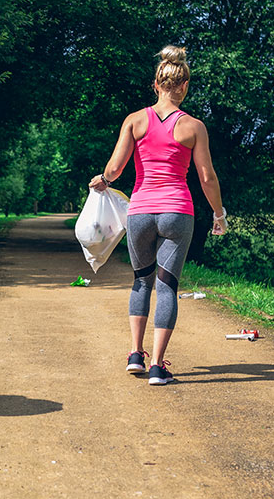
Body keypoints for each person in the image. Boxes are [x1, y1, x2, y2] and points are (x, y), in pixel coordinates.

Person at [89, 45, 227, 385]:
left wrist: (104, 181)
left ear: (156, 84)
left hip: (140, 212)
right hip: (177, 213)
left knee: (141, 282)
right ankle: (158, 365)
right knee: (167, 287)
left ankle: (135, 354)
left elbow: (116, 167)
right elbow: (207, 177)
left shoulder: (135, 120)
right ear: (185, 86)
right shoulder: (194, 127)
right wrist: (219, 213)